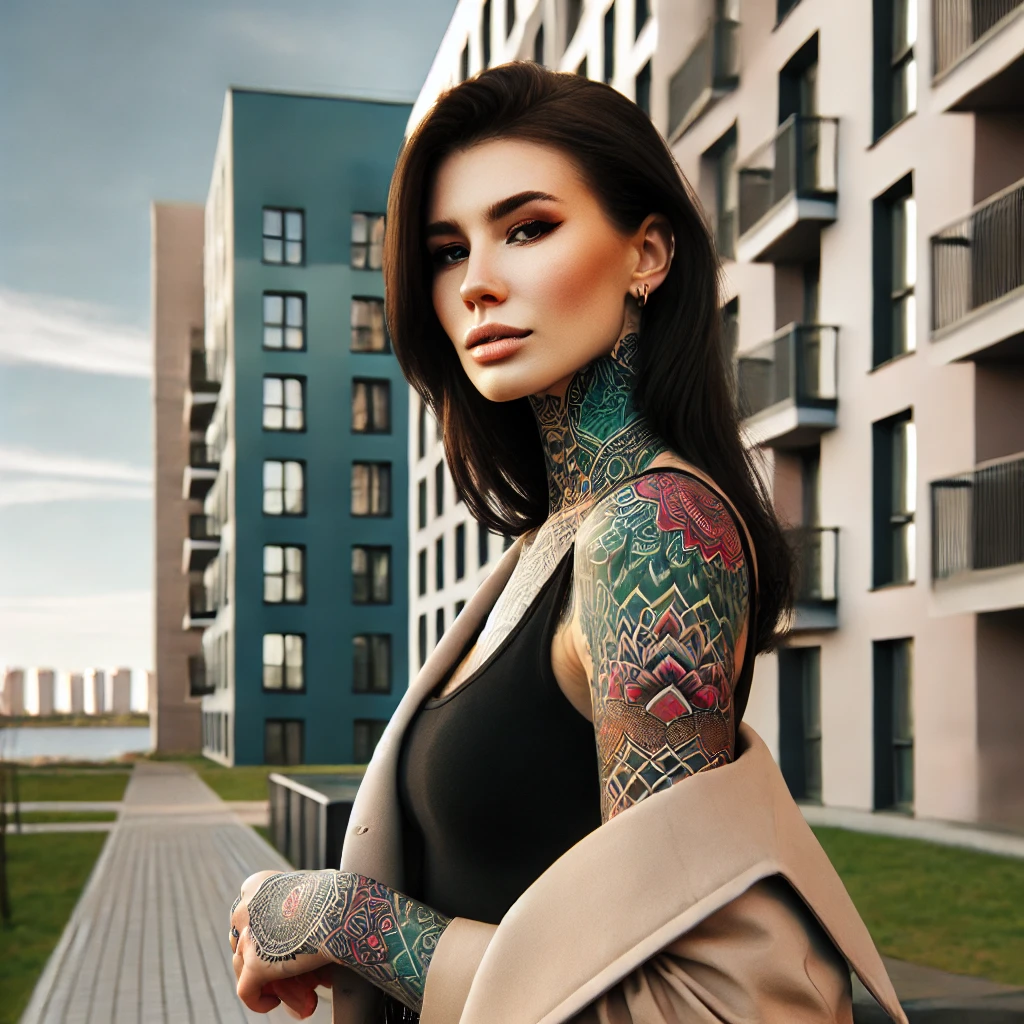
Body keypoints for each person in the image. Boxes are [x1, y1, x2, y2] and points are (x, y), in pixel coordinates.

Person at [228, 62, 906, 1024]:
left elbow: (683, 994)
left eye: (528, 228)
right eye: (447, 250)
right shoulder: (552, 540)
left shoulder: (656, 534)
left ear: (649, 253)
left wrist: (344, 919)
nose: (477, 284)